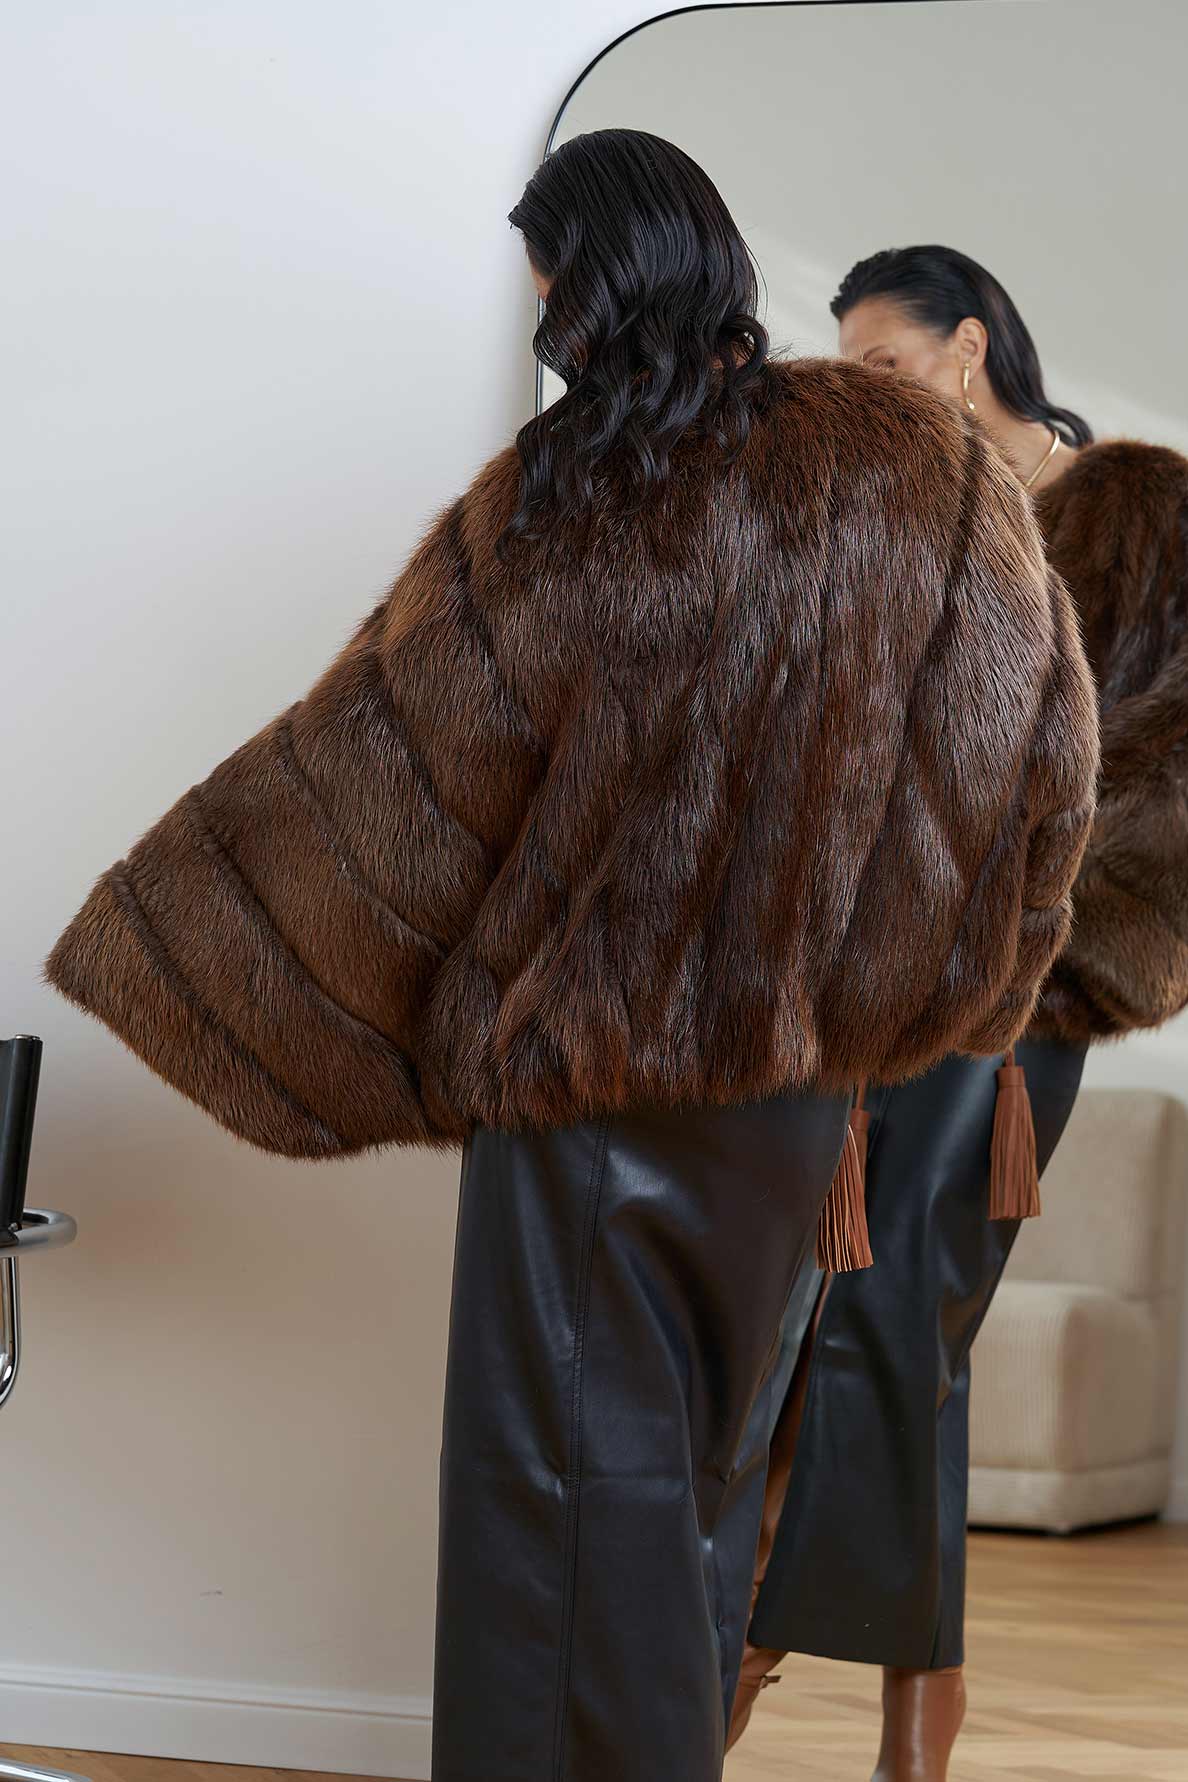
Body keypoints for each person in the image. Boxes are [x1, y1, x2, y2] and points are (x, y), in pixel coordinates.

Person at [45, 161, 1098, 1781]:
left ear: (590, 284)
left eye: (548, 291)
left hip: (594, 1097)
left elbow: (400, 760)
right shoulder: (916, 464)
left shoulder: (585, 479)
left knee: (558, 1520)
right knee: (694, 1510)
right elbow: (1041, 754)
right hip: (797, 1112)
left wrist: (162, 939)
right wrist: (940, 993)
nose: (546, 324)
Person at [730, 243, 1188, 1782]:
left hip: (1018, 1007)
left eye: (882, 361)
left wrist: (1032, 916)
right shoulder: (902, 520)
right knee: (883, 1331)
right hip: (875, 999)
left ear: (970, 346)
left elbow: (1163, 778)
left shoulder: (1138, 511)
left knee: (883, 1317)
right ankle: (916, 1720)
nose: (861, 390)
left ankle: (746, 1653)